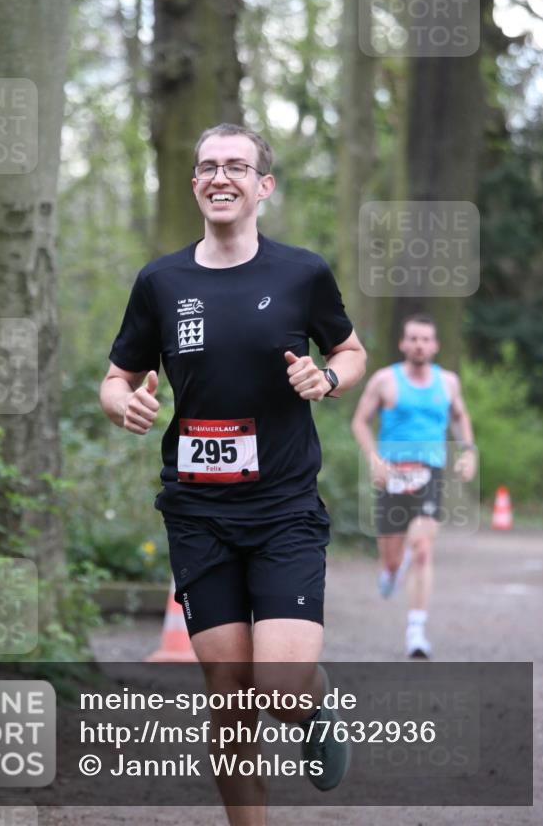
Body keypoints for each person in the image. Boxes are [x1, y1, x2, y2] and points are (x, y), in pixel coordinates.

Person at [100, 123, 366, 823]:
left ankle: (309, 702)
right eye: (208, 167)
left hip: (282, 507)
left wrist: (327, 378)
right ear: (194, 183)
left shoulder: (300, 272)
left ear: (262, 186)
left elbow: (352, 348)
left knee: (274, 686)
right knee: (229, 690)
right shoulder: (160, 281)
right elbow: (117, 374)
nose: (221, 177)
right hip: (196, 511)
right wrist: (122, 404)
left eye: (237, 168)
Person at [351, 314, 477, 659]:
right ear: (403, 343)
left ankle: (416, 631)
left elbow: (460, 416)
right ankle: (391, 570)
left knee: (422, 548)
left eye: (426, 339)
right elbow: (360, 422)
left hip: (430, 474)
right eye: (414, 339)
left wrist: (468, 452)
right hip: (391, 476)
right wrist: (374, 459)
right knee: (392, 560)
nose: (419, 345)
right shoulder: (384, 381)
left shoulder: (448, 382)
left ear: (434, 345)